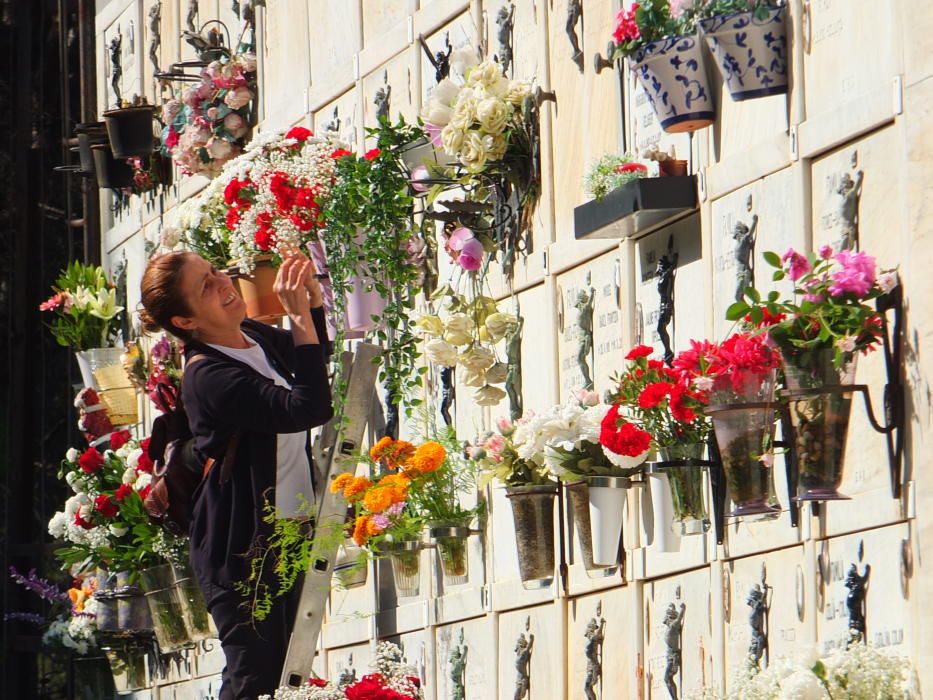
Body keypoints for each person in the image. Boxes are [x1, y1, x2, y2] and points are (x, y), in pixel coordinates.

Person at [139, 250, 333, 699]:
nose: (224, 283)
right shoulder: (208, 376)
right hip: (240, 550)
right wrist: (299, 315)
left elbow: (312, 359)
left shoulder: (251, 336)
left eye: (214, 272)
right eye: (205, 286)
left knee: (289, 668)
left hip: (286, 529)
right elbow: (307, 408)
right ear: (186, 322)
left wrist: (313, 303)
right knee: (255, 678)